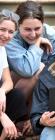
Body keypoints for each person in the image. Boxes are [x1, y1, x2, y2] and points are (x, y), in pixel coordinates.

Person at [5, 0, 55, 135]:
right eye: (27, 29)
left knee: (45, 72)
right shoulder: (11, 38)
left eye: (37, 29)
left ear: (43, 23)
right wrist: (38, 43)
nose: (33, 34)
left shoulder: (53, 36)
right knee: (37, 69)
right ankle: (18, 120)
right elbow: (26, 69)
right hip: (14, 93)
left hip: (43, 92)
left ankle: (33, 119)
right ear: (18, 26)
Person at [0, 9, 28, 140]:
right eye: (2, 29)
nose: (6, 35)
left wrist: (1, 91)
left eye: (11, 32)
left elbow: (8, 81)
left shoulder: (1, 49)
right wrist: (2, 116)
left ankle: (5, 134)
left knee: (16, 96)